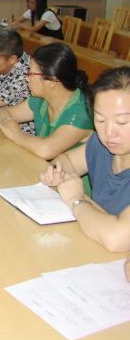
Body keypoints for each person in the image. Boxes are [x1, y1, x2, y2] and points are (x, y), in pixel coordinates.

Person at [40, 67, 130, 252]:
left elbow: (116, 239)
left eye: (121, 122)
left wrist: (76, 200)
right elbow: (68, 161)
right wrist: (56, 173)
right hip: (93, 243)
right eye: (100, 120)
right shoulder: (101, 144)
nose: (108, 132)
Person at [0, 42, 92, 161]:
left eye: (31, 73)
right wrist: (1, 122)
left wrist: (14, 133)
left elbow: (45, 150)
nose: (27, 78)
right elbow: (4, 111)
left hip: (63, 172)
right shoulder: (41, 100)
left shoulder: (82, 113)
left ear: (52, 81)